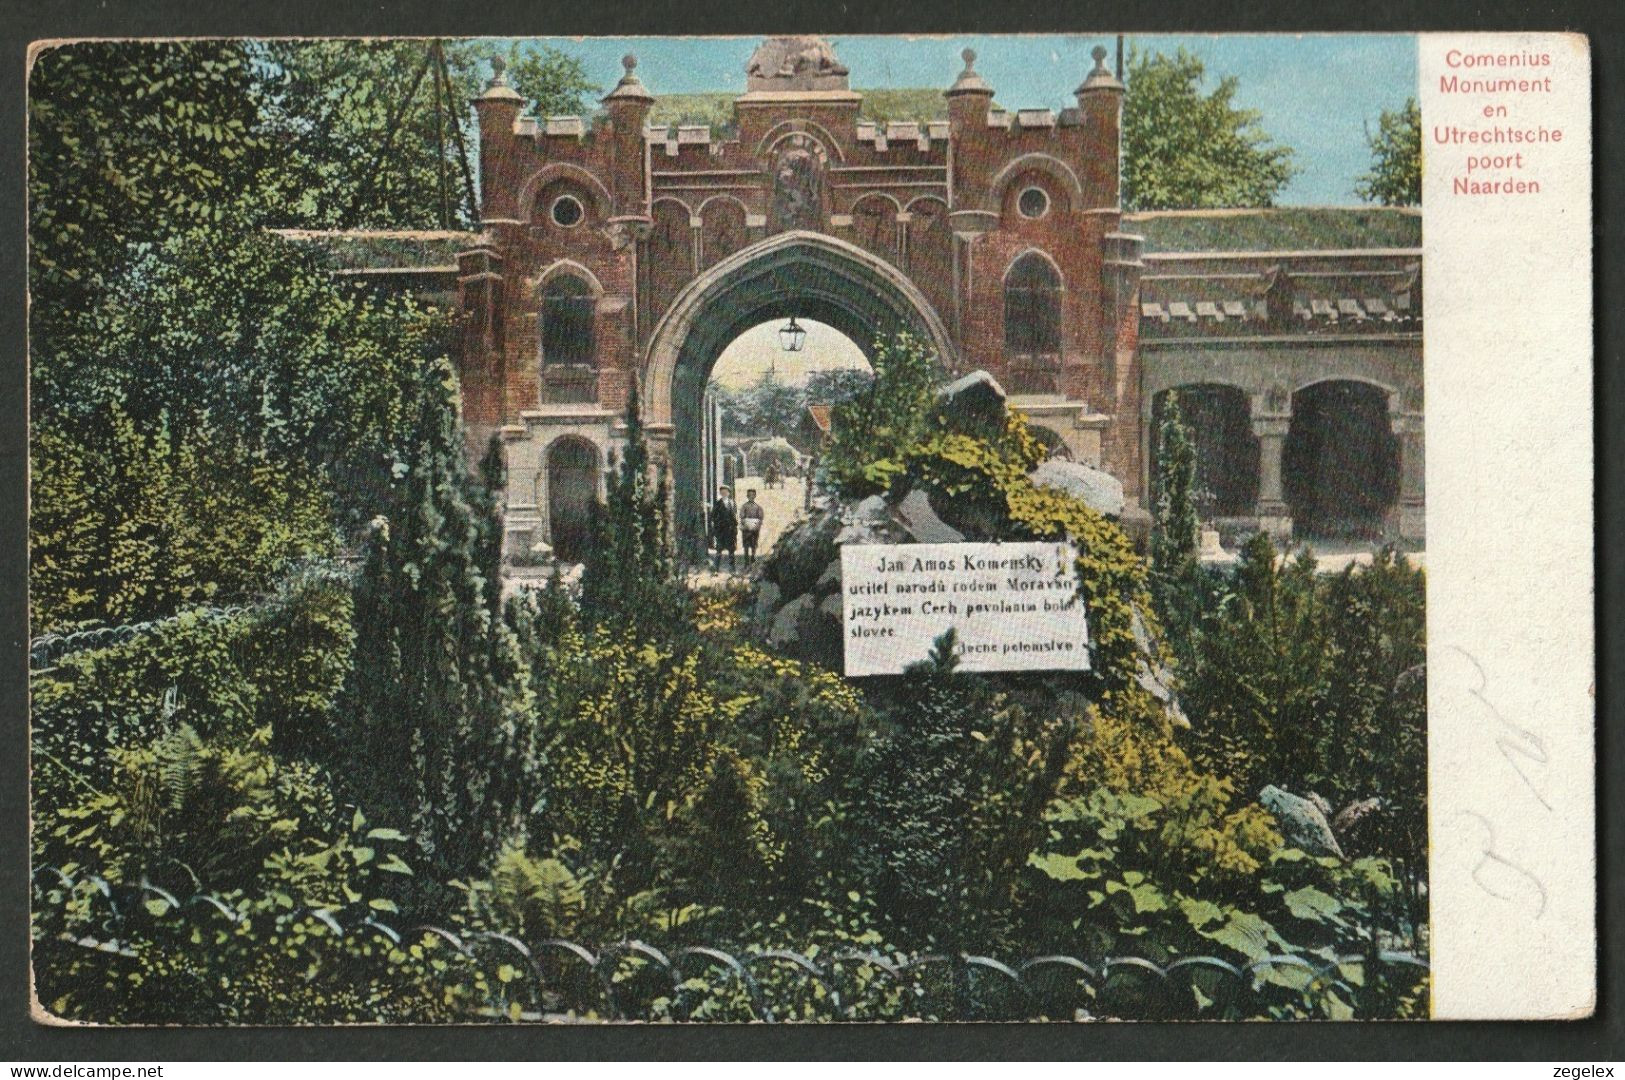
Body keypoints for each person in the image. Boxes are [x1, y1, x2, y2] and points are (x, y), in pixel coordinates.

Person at [709, 486, 738, 571]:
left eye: (726, 492)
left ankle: (732, 569)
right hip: (721, 531)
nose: (724, 494)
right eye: (722, 492)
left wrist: (735, 528)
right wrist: (717, 528)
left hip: (730, 530)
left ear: (729, 493)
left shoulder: (732, 503)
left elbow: (734, 517)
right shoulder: (717, 504)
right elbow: (713, 516)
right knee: (719, 550)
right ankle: (716, 569)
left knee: (731, 551)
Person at [739, 488, 765, 565]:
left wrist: (756, 525)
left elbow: (760, 517)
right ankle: (746, 560)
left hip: (754, 529)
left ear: (755, 496)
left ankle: (753, 557)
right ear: (747, 496)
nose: (751, 497)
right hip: (746, 529)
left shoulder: (758, 507)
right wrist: (746, 523)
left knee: (754, 544)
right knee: (746, 545)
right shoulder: (744, 506)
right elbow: (742, 516)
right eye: (749, 495)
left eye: (753, 495)